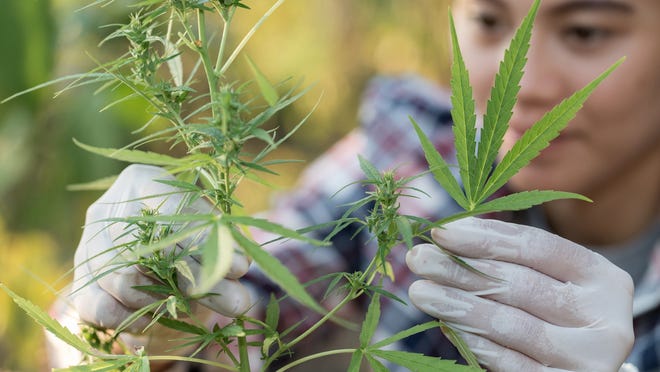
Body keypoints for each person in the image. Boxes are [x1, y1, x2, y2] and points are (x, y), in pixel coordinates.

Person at [48, 0, 660, 370]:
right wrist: (139, 308)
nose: (522, 82)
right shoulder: (412, 151)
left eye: (585, 31)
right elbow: (257, 296)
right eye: (486, 20)